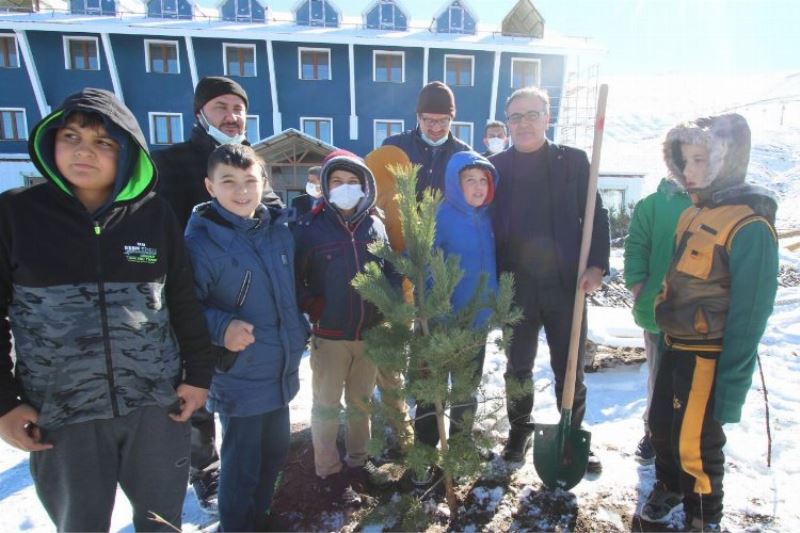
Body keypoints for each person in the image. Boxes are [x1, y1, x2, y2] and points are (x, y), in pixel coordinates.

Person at [0, 88, 214, 531]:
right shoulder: (16, 216)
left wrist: (197, 377)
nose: (84, 151)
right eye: (72, 136)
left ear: (127, 152)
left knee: (162, 522)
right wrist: (4, 403)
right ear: (51, 142)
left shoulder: (154, 215)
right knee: (80, 523)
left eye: (103, 142)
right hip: (63, 412)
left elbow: (181, 299)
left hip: (155, 406)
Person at [641, 113, 778, 532]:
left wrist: (732, 385)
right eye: (685, 161)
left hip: (708, 356)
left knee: (695, 443)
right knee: (662, 427)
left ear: (727, 160)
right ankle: (668, 485)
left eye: (702, 160)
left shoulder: (749, 226)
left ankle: (703, 516)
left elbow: (751, 314)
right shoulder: (692, 214)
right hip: (674, 346)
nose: (691, 170)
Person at [152, 75, 280, 509]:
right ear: (200, 113)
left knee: (242, 392)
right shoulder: (172, 162)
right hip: (194, 294)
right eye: (221, 107)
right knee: (197, 386)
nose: (232, 116)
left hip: (247, 298)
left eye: (238, 108)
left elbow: (271, 213)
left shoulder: (252, 160)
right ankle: (204, 469)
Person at [184, 144, 308, 531]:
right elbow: (182, 310)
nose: (241, 191)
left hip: (280, 366)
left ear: (263, 183)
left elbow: (291, 290)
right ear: (210, 186)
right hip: (240, 375)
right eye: (229, 182)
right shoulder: (201, 244)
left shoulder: (278, 232)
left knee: (273, 456)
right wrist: (222, 328)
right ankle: (238, 526)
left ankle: (261, 519)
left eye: (250, 181)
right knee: (241, 465)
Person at [491, 86, 609, 471]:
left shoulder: (571, 161)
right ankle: (519, 432)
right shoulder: (496, 169)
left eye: (531, 114)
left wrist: (596, 266)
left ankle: (571, 434)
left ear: (547, 117)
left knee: (570, 364)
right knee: (518, 365)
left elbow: (597, 213)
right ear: (507, 124)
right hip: (516, 285)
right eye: (516, 117)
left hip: (567, 283)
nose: (523, 123)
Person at [293, 151, 400, 494]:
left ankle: (359, 458)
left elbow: (389, 271)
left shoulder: (375, 224)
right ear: (325, 186)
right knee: (326, 404)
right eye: (337, 182)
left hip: (369, 334)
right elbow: (296, 279)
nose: (345, 188)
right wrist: (313, 305)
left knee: (360, 403)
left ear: (365, 185)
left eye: (353, 182)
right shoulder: (309, 229)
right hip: (330, 336)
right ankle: (326, 467)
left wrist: (391, 304)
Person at [412, 150, 500, 488]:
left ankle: (461, 450)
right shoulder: (438, 216)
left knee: (466, 391)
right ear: (454, 182)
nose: (478, 187)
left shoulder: (490, 217)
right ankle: (424, 455)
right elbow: (420, 263)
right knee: (430, 392)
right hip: (438, 324)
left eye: (483, 181)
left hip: (475, 324)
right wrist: (436, 308)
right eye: (470, 180)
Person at [623, 177, 692, 464]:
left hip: (700, 313)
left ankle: (686, 437)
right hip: (658, 307)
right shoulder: (652, 205)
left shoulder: (716, 205)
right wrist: (639, 284)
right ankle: (654, 432)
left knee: (692, 380)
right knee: (659, 376)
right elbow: (637, 245)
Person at [382, 80, 471, 195]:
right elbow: (380, 193)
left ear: (451, 119)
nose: (436, 128)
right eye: (429, 120)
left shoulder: (464, 153)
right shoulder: (394, 146)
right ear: (418, 117)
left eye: (443, 121)